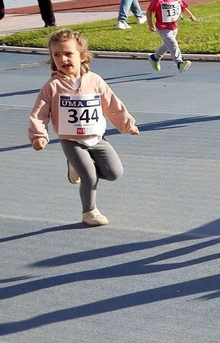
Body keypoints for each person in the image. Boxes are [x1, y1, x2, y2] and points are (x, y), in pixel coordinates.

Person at [27, 29, 140, 227]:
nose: (63, 59)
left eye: (68, 53)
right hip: (72, 141)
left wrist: (127, 124)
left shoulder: (95, 80)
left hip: (97, 139)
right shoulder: (52, 86)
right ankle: (89, 212)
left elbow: (112, 104)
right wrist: (39, 135)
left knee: (114, 174)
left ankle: (75, 166)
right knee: (89, 176)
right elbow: (39, 113)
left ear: (82, 56)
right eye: (57, 55)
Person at [146, 0, 198, 72]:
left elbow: (183, 8)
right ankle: (179, 62)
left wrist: (191, 15)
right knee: (173, 43)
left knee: (167, 44)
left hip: (173, 26)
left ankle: (155, 57)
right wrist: (150, 24)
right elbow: (149, 12)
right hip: (162, 27)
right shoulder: (158, 1)